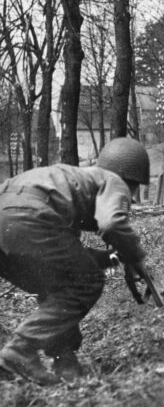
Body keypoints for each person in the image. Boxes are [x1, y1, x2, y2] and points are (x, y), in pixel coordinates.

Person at [0, 137, 150, 385]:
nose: (130, 197)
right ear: (131, 179)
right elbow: (112, 223)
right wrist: (136, 255)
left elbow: (68, 257)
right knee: (87, 282)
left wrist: (111, 257)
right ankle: (20, 349)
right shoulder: (113, 181)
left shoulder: (68, 183)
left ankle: (65, 361)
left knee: (57, 283)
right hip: (30, 217)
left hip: (8, 217)